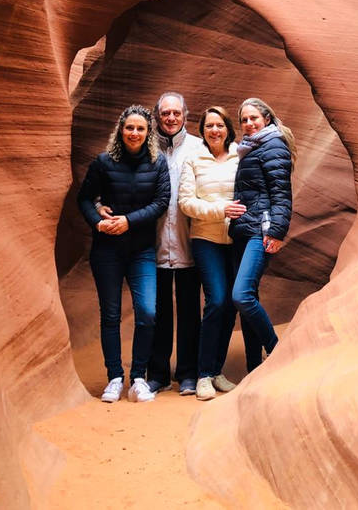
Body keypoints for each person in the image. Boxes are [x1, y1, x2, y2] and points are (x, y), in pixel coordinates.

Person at [77, 104, 170, 403]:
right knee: (111, 315)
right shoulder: (104, 163)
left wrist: (128, 221)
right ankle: (115, 377)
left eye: (140, 128)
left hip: (141, 250)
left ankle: (138, 378)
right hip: (107, 251)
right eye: (129, 128)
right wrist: (99, 222)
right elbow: (85, 199)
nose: (134, 133)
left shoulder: (158, 164)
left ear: (148, 133)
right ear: (121, 130)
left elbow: (162, 201)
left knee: (147, 312)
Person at [178, 106, 247, 401]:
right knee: (217, 300)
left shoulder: (239, 155)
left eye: (219, 125)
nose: (214, 131)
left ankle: (217, 371)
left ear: (228, 128)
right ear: (202, 131)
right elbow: (186, 203)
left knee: (232, 303)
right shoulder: (194, 159)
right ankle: (203, 374)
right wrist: (220, 210)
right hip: (205, 238)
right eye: (209, 127)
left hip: (237, 239)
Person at [230, 97, 295, 370]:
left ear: (266, 119)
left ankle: (277, 351)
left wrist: (277, 232)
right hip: (245, 229)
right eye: (244, 120)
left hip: (262, 230)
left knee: (241, 295)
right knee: (250, 298)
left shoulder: (273, 145)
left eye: (253, 118)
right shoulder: (250, 148)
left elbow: (281, 193)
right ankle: (254, 368)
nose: (248, 124)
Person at [146, 92, 202, 396]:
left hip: (189, 243)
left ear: (185, 115)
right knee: (158, 311)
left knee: (191, 311)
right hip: (153, 246)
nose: (170, 118)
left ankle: (188, 373)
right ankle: (157, 373)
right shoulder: (146, 146)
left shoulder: (198, 147)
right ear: (157, 115)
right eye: (165, 113)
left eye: (175, 113)